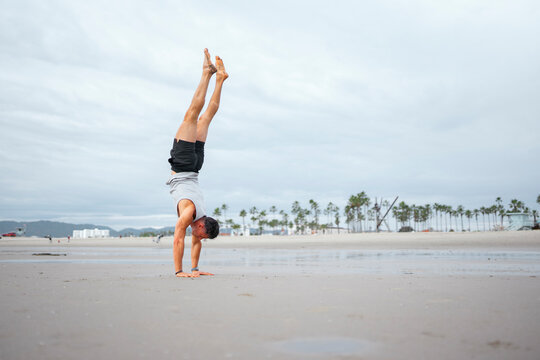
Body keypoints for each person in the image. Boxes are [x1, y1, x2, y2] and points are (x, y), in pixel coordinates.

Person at [166, 48, 228, 278]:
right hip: (183, 165)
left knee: (205, 118)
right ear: (202, 226)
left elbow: (194, 243)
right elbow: (178, 238)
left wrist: (195, 269)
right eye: (200, 235)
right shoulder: (191, 213)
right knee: (192, 114)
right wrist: (179, 271)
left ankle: (220, 79)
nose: (198, 237)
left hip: (195, 166)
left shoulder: (200, 214)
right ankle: (207, 73)